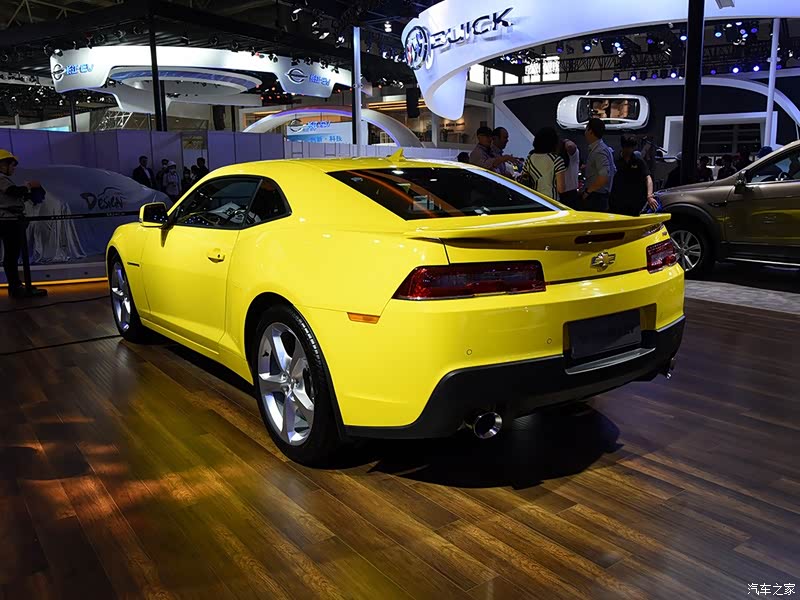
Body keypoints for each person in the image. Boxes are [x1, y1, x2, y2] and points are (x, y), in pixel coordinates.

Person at [0, 150, 46, 297]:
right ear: (2, 164)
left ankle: (16, 286)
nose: (14, 168)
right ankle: (16, 287)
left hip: (11, 220)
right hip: (9, 221)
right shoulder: (1, 179)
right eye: (12, 165)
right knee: (11, 255)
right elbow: (13, 191)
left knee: (12, 255)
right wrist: (29, 186)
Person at [610, 136, 657, 216]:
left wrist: (649, 196)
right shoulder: (615, 160)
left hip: (635, 202)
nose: (629, 150)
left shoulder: (638, 161)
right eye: (627, 147)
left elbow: (648, 177)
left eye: (631, 148)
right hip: (618, 201)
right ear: (623, 146)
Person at [580, 117, 616, 211]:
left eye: (586, 129)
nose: (585, 132)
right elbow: (613, 169)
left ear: (591, 131)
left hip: (596, 198)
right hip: (599, 197)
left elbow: (603, 177)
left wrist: (587, 192)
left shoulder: (599, 151)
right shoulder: (604, 148)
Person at [521, 127, 566, 201]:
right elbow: (561, 189)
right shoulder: (557, 160)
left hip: (534, 200)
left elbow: (524, 177)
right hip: (551, 201)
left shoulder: (530, 158)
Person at [560, 139, 580, 208]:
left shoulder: (573, 155)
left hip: (570, 192)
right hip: (559, 192)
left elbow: (570, 145)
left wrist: (564, 142)